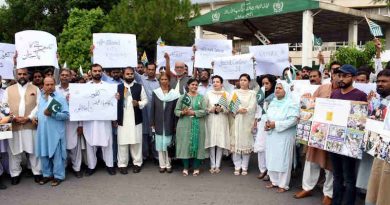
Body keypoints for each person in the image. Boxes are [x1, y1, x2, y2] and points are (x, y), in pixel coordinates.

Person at [294, 61, 341, 205]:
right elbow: (310, 106)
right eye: (336, 74)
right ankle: (307, 187)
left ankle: (329, 194)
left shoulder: (346, 92)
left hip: (335, 134)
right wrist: (308, 99)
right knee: (311, 160)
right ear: (331, 75)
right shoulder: (322, 88)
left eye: (342, 75)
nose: (338, 78)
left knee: (331, 165)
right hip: (318, 131)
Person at [330, 64, 367, 205]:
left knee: (349, 177)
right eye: (339, 75)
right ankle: (336, 201)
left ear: (354, 77)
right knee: (337, 175)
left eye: (345, 76)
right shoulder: (334, 94)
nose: (341, 78)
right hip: (334, 140)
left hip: (350, 143)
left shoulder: (360, 95)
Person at [4, 68, 42, 185]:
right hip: (14, 124)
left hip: (30, 124)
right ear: (16, 75)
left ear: (28, 75)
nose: (22, 76)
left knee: (34, 150)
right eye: (20, 74)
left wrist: (29, 117)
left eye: (24, 74)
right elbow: (4, 105)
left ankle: (37, 172)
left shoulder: (35, 89)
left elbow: (39, 105)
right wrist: (13, 117)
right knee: (14, 151)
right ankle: (15, 173)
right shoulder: (8, 89)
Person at [263, 80, 299, 193]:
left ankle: (283, 184)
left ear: (286, 90)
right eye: (276, 88)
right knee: (272, 157)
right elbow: (268, 116)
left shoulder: (291, 103)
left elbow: (293, 120)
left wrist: (276, 124)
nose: (277, 90)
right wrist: (267, 125)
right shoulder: (273, 102)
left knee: (283, 160)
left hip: (284, 136)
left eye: (280, 88)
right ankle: (274, 181)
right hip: (272, 135)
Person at [82, 64, 116, 176]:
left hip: (104, 120)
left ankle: (110, 165)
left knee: (107, 142)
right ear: (91, 72)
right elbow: (80, 103)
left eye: (99, 71)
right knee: (90, 144)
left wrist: (116, 98)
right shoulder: (84, 87)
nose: (97, 72)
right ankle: (91, 166)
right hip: (90, 121)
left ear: (102, 72)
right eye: (95, 71)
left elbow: (112, 102)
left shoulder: (108, 86)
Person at [35, 77, 69, 186]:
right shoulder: (41, 97)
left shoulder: (60, 97)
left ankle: (59, 176)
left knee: (57, 154)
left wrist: (53, 114)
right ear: (43, 85)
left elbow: (66, 115)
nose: (49, 87)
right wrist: (35, 117)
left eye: (51, 84)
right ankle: (47, 175)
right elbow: (38, 111)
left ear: (55, 85)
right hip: (42, 132)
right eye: (47, 85)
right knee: (44, 154)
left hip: (55, 132)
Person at [117, 67, 148, 174]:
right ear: (123, 75)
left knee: (136, 142)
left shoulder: (139, 87)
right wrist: (115, 98)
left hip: (136, 119)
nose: (130, 75)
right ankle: (122, 164)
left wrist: (138, 103)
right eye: (127, 74)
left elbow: (145, 100)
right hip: (123, 120)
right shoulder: (118, 87)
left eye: (131, 74)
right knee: (122, 143)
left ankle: (137, 163)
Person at [366, 69, 390, 205]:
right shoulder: (380, 102)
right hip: (379, 150)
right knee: (376, 184)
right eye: (378, 81)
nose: (380, 84)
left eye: (384, 81)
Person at [174, 78, 207, 176]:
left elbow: (205, 111)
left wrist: (194, 112)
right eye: (192, 84)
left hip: (198, 124)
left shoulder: (201, 98)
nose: (194, 86)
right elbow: (176, 111)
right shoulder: (183, 97)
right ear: (188, 86)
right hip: (184, 125)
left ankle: (196, 168)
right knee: (185, 145)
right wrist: (182, 112)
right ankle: (185, 168)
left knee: (198, 145)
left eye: (196, 85)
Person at [56, 69, 84, 178]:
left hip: (73, 122)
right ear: (59, 76)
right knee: (60, 146)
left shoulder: (75, 89)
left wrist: (80, 124)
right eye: (62, 75)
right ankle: (62, 168)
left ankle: (77, 168)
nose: (64, 77)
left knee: (74, 146)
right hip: (58, 122)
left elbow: (81, 108)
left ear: (71, 77)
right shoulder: (55, 89)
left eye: (67, 75)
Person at [150, 73, 180, 173]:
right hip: (158, 122)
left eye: (165, 79)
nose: (163, 81)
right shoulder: (156, 92)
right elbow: (152, 108)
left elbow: (176, 111)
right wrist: (152, 122)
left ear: (169, 80)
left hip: (169, 122)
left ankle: (168, 164)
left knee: (168, 144)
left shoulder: (174, 94)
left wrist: (175, 124)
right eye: (162, 79)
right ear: (159, 81)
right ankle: (162, 165)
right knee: (159, 145)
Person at [230, 74, 257, 176]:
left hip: (247, 120)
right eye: (241, 80)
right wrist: (238, 109)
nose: (242, 82)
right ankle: (237, 166)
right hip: (237, 120)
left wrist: (246, 109)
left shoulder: (252, 93)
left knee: (246, 143)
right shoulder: (234, 92)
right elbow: (232, 105)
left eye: (245, 80)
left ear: (249, 82)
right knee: (236, 143)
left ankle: (244, 167)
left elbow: (253, 105)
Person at [204, 75, 230, 174]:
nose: (215, 83)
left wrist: (222, 109)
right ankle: (212, 165)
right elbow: (204, 108)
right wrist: (210, 110)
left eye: (217, 82)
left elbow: (230, 110)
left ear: (221, 84)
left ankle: (217, 165)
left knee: (220, 142)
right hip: (210, 120)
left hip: (221, 120)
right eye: (214, 81)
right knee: (211, 143)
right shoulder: (208, 94)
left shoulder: (226, 94)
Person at [134, 63, 160, 162]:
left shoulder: (159, 82)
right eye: (149, 69)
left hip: (155, 113)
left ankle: (156, 156)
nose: (150, 71)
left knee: (155, 135)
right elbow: (133, 70)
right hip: (143, 112)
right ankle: (144, 156)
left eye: (153, 69)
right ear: (145, 70)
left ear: (155, 70)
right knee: (144, 135)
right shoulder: (141, 79)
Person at [254, 74, 277, 180]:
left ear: (272, 84)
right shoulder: (260, 95)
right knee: (261, 146)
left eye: (267, 83)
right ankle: (262, 169)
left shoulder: (275, 95)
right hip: (261, 122)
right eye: (263, 83)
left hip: (271, 123)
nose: (265, 85)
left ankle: (269, 170)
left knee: (270, 148)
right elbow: (257, 110)